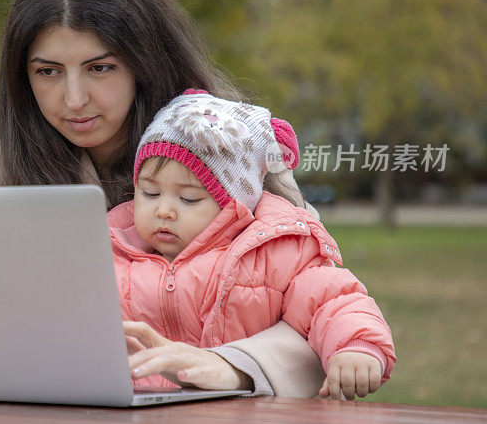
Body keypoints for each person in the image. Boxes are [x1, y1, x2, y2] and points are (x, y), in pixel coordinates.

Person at [0, 0, 335, 398]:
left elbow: (325, 304)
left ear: (143, 62)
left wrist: (230, 366)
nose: (74, 98)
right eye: (48, 72)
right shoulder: (5, 169)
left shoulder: (226, 142)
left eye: (99, 67)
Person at [112, 89, 396, 401]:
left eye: (189, 198)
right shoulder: (111, 248)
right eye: (150, 193)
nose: (163, 210)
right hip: (134, 408)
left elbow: (333, 300)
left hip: (244, 409)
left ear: (233, 204)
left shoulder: (274, 250)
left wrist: (357, 348)